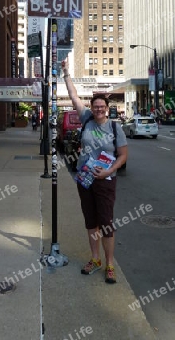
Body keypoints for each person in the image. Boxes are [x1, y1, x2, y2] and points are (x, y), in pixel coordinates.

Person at [62, 58, 128, 284]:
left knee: (106, 222)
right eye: (95, 106)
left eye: (102, 107)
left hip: (105, 179)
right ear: (92, 108)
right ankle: (95, 259)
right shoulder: (87, 119)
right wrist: (66, 73)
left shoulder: (114, 127)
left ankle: (109, 264)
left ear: (107, 109)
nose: (98, 109)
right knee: (91, 221)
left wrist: (108, 170)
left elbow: (123, 156)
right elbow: (73, 96)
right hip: (85, 178)